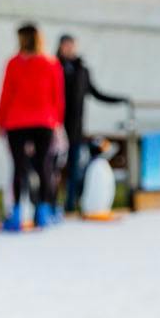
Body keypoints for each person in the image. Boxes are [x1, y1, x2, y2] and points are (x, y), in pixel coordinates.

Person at [0, 23, 64, 230]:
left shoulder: (14, 63)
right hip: (44, 121)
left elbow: (6, 94)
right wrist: (57, 122)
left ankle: (16, 213)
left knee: (18, 167)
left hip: (16, 121)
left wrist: (0, 121)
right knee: (44, 166)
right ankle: (42, 212)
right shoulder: (51, 63)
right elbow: (57, 97)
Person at [56, 34, 126, 215]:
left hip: (76, 129)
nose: (69, 49)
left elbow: (96, 93)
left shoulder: (82, 70)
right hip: (56, 127)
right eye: (66, 45)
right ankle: (49, 203)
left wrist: (119, 100)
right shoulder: (54, 68)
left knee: (75, 167)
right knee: (54, 168)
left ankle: (71, 203)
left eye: (71, 45)